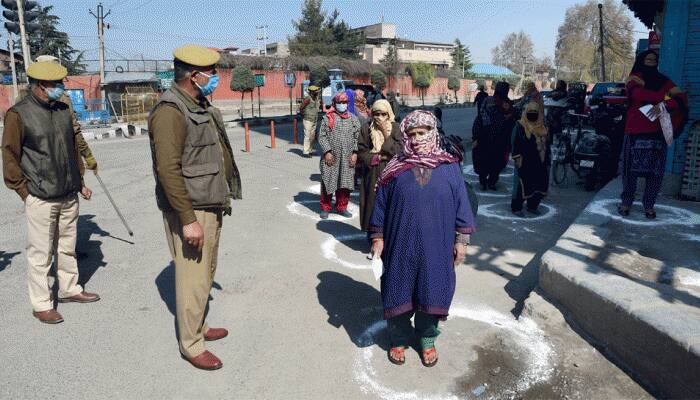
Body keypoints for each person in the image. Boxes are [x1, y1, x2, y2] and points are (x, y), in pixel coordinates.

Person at [148, 45, 242, 370]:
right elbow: (168, 170)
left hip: (210, 203)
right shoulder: (170, 111)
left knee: (206, 273)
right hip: (191, 208)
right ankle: (191, 344)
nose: (215, 78)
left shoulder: (197, 103)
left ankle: (198, 325)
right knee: (193, 278)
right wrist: (188, 219)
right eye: (211, 73)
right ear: (194, 76)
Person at [369, 110, 476, 367]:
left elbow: (462, 204)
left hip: (436, 246)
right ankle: (398, 338)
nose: (417, 139)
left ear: (433, 132)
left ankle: (427, 340)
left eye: (423, 133)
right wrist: (377, 238)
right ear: (405, 137)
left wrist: (461, 241)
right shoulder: (394, 168)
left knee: (433, 290)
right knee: (398, 289)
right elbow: (380, 206)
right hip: (400, 244)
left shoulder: (449, 166)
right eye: (412, 134)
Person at [2, 61, 99, 324]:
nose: (61, 88)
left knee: (67, 247)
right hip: (40, 197)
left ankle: (70, 289)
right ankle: (42, 303)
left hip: (68, 194)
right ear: (41, 86)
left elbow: (71, 149)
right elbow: (10, 155)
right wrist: (25, 192)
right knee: (40, 253)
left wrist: (79, 181)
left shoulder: (63, 109)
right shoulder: (19, 114)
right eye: (57, 85)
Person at [618, 50, 687, 219]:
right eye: (648, 59)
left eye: (654, 60)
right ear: (642, 60)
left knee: (655, 173)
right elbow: (637, 94)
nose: (651, 62)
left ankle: (649, 205)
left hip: (657, 133)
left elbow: (681, 98)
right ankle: (626, 202)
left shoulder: (664, 81)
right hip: (635, 131)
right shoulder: (633, 78)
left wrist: (663, 106)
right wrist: (663, 98)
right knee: (630, 172)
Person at [15, 55, 98, 172]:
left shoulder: (23, 97)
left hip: (41, 166)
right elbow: (74, 130)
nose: (60, 83)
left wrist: (87, 154)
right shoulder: (61, 98)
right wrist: (87, 155)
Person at [356, 99, 402, 233]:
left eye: (383, 114)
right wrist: (378, 157)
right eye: (376, 114)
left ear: (389, 114)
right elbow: (361, 151)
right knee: (372, 203)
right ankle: (373, 236)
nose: (379, 118)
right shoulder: (366, 128)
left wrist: (385, 132)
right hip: (374, 170)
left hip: (393, 170)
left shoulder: (396, 128)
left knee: (391, 203)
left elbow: (398, 151)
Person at [318, 92, 361, 219]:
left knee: (345, 183)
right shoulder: (328, 118)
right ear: (334, 104)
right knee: (328, 181)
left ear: (348, 104)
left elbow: (357, 137)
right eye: (339, 102)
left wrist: (354, 153)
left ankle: (342, 207)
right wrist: (327, 152)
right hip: (331, 157)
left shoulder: (353, 119)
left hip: (347, 157)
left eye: (344, 102)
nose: (342, 105)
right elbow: (322, 136)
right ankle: (325, 207)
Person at [471, 81, 516, 190]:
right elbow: (481, 118)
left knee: (492, 162)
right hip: (492, 138)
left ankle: (488, 182)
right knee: (492, 162)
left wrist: (476, 137)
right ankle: (488, 182)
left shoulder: (504, 103)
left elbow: (480, 119)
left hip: (492, 138)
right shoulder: (503, 103)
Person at [511, 102, 549, 216]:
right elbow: (514, 142)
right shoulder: (520, 126)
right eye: (530, 112)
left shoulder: (543, 126)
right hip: (525, 162)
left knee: (539, 185)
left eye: (535, 113)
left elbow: (547, 143)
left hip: (540, 162)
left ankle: (532, 206)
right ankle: (516, 207)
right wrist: (518, 158)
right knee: (522, 185)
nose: (532, 115)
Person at [300, 85, 323, 157]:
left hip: (314, 119)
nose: (317, 92)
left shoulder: (315, 98)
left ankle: (310, 150)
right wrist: (303, 115)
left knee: (312, 136)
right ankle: (305, 152)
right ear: (312, 92)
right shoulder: (308, 99)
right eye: (315, 91)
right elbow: (301, 107)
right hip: (308, 120)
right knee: (307, 136)